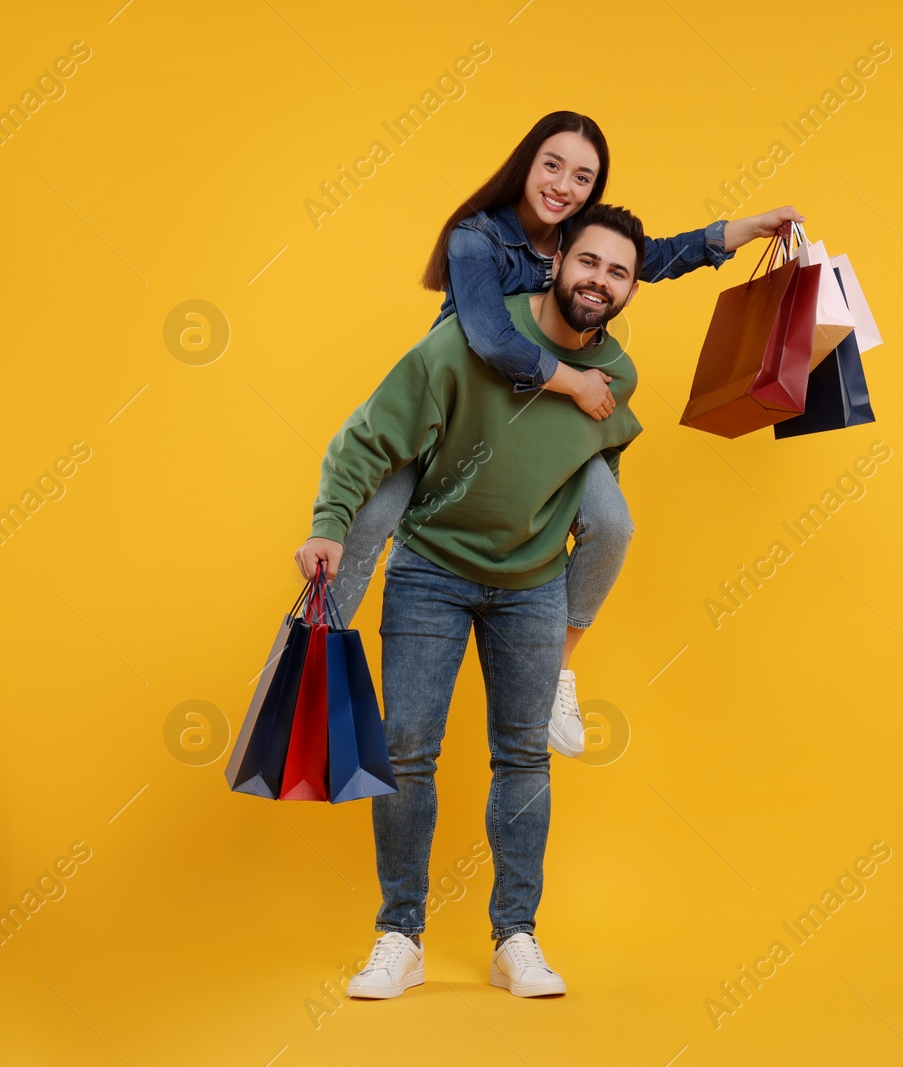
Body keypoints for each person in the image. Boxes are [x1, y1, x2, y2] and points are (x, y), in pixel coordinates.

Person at [329, 110, 801, 759]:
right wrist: (577, 384)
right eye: (553, 165)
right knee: (372, 515)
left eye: (584, 176)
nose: (564, 185)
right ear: (527, 162)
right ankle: (310, 669)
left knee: (612, 524)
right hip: (465, 410)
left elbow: (655, 257)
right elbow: (492, 341)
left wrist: (750, 229)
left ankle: (557, 665)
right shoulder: (477, 238)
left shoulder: (580, 238)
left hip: (546, 424)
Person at [293, 203, 649, 999]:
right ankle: (400, 934)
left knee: (522, 757)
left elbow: (600, 471)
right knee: (409, 747)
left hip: (532, 586)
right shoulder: (466, 341)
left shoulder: (616, 377)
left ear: (631, 287)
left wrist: (579, 548)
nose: (600, 280)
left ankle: (515, 936)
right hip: (432, 568)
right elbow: (368, 437)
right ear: (556, 262)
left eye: (619, 271)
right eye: (589, 262)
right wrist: (327, 524)